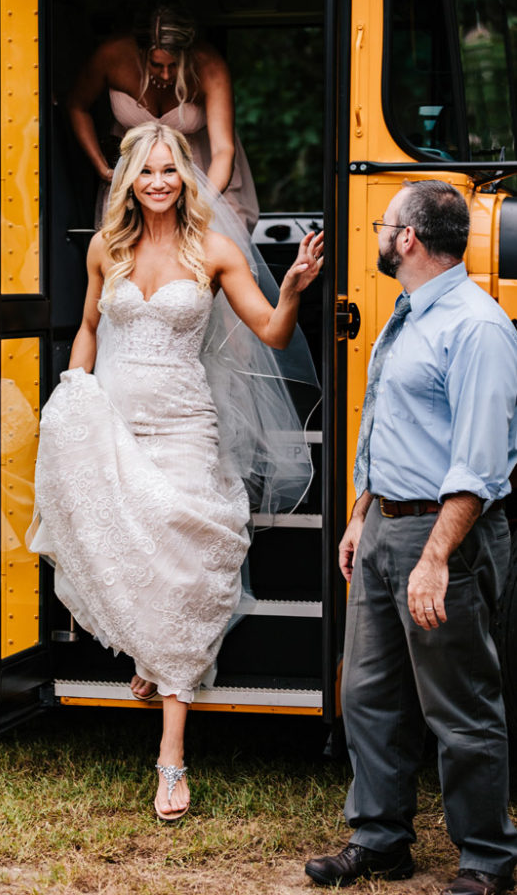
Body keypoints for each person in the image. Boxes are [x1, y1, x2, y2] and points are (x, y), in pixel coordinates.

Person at [29, 121, 322, 822]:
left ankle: (170, 759)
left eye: (170, 171)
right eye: (147, 172)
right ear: (128, 178)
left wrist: (291, 291)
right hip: (118, 416)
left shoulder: (215, 249)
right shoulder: (108, 248)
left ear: (185, 177)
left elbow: (272, 333)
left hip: (187, 423)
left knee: (187, 556)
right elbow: (92, 326)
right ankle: (149, 653)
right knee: (125, 537)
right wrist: (76, 388)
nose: (158, 183)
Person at [305, 180, 517, 895]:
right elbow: (384, 427)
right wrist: (363, 514)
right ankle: (379, 839)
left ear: (407, 240)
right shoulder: (407, 313)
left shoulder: (476, 326)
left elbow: (478, 462)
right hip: (384, 532)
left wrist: (434, 557)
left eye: (383, 223)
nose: (376, 231)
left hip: (442, 540)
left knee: (458, 709)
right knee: (367, 696)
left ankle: (486, 858)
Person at [67, 4, 260, 233]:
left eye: (174, 65)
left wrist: (200, 203)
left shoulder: (210, 67)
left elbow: (223, 150)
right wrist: (102, 168)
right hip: (135, 177)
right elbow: (77, 105)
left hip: (203, 176)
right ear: (141, 52)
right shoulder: (112, 56)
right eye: (156, 65)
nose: (166, 75)